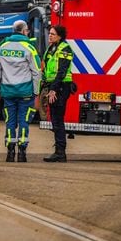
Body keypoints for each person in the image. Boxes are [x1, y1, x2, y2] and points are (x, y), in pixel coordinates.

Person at [0, 20, 41, 163]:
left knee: (10, 121)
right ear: (24, 31)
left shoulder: (2, 48)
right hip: (25, 92)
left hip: (8, 92)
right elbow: (37, 72)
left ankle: (10, 151)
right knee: (24, 121)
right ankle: (22, 153)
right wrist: (36, 91)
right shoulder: (29, 48)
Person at [41, 25, 74, 163]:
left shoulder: (64, 48)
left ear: (60, 36)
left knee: (58, 120)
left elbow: (62, 71)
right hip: (52, 86)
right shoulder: (51, 48)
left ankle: (60, 152)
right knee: (55, 119)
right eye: (49, 34)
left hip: (61, 87)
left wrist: (54, 89)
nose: (50, 36)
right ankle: (59, 151)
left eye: (53, 34)